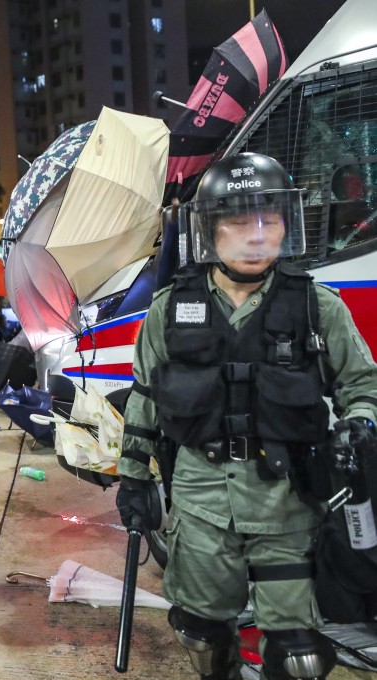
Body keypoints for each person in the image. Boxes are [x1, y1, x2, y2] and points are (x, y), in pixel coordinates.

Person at [115, 153, 377, 680]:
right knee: (199, 632)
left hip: (288, 501)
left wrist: (360, 423)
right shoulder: (169, 308)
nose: (256, 235)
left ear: (287, 224)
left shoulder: (316, 307)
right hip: (201, 498)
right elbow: (143, 396)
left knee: (300, 656)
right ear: (210, 230)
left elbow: (362, 382)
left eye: (269, 219)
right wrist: (131, 477)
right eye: (238, 221)